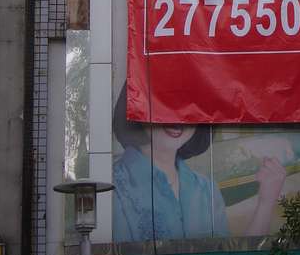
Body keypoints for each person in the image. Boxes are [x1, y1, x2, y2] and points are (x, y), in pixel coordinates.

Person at [112, 84, 286, 243]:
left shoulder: (207, 190)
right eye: (165, 103)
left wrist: (266, 202)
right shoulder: (113, 187)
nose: (177, 118)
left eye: (191, 106)